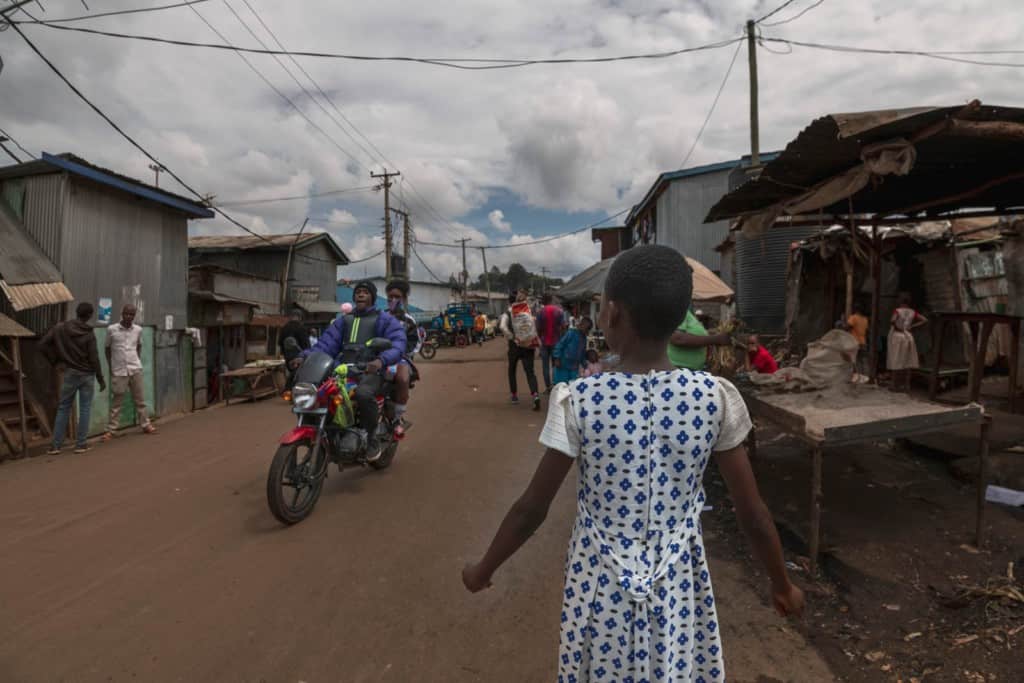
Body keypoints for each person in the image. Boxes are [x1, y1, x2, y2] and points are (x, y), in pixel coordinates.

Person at [462, 246, 804, 682]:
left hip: (598, 586)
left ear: (613, 314)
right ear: (679, 317)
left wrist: (483, 569)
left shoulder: (580, 401)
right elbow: (751, 512)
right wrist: (782, 584)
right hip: (679, 585)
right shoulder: (714, 398)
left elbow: (533, 507)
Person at [296, 281, 406, 459]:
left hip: (372, 371)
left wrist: (381, 360)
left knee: (363, 394)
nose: (360, 295)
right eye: (358, 292)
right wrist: (304, 356)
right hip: (344, 371)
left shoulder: (384, 319)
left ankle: (371, 439)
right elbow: (325, 345)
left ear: (373, 297)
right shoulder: (344, 321)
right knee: (319, 394)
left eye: (365, 292)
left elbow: (398, 343)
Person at [40, 302, 107, 454]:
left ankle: (55, 446)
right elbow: (94, 358)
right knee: (85, 409)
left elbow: (42, 345)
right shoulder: (89, 334)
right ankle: (81, 444)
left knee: (63, 408)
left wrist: (55, 362)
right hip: (87, 375)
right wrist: (100, 378)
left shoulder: (60, 328)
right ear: (89, 315)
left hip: (70, 373)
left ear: (77, 312)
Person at [103, 304, 155, 440]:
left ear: (134, 315)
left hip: (135, 369)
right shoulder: (111, 329)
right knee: (117, 402)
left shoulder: (138, 330)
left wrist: (136, 360)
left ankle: (146, 425)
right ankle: (111, 430)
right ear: (122, 313)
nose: (128, 316)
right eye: (126, 313)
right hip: (119, 371)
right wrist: (111, 366)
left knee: (140, 400)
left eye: (131, 314)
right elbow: (107, 349)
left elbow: (139, 346)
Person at [385, 280, 420, 426]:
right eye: (390, 297)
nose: (393, 300)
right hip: (379, 358)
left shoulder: (409, 320)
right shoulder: (381, 316)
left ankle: (398, 417)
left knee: (402, 378)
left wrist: (400, 353)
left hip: (401, 359)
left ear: (404, 299)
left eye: (397, 297)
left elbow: (415, 343)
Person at [498, 290, 541, 410]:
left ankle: (514, 395)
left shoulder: (508, 312)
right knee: (530, 372)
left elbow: (502, 326)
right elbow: (534, 324)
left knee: (512, 370)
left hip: (514, 346)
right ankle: (535, 395)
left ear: (509, 301)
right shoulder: (527, 310)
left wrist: (512, 337)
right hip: (528, 345)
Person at [667, 307, 731, 371]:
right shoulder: (678, 310)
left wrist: (712, 335)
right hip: (679, 370)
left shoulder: (686, 312)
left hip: (688, 370)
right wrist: (716, 339)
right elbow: (678, 338)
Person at [888, 292, 928, 392]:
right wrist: (912, 326)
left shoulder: (897, 311)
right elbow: (924, 320)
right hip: (908, 336)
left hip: (898, 336)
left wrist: (898, 327)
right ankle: (906, 386)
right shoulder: (912, 312)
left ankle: (894, 385)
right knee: (907, 361)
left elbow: (892, 320)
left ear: (900, 301)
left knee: (896, 359)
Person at [535, 292, 565, 393]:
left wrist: (540, 338)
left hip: (544, 342)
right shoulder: (559, 311)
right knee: (555, 365)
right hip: (556, 341)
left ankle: (548, 387)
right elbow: (563, 326)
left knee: (545, 366)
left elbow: (538, 328)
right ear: (551, 299)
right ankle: (556, 386)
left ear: (543, 301)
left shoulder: (540, 312)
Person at [551, 316, 592, 384]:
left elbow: (582, 353)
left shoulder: (584, 338)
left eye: (589, 329)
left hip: (574, 367)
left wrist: (585, 365)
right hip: (563, 364)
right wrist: (557, 358)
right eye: (587, 328)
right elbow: (560, 345)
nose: (587, 331)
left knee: (572, 386)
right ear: (581, 325)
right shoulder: (571, 333)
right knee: (561, 386)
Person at [847, 303, 870, 375]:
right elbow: (867, 330)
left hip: (854, 342)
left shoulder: (853, 317)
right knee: (863, 361)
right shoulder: (865, 319)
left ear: (855, 309)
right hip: (863, 342)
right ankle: (865, 376)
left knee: (855, 361)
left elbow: (848, 326)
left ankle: (858, 377)